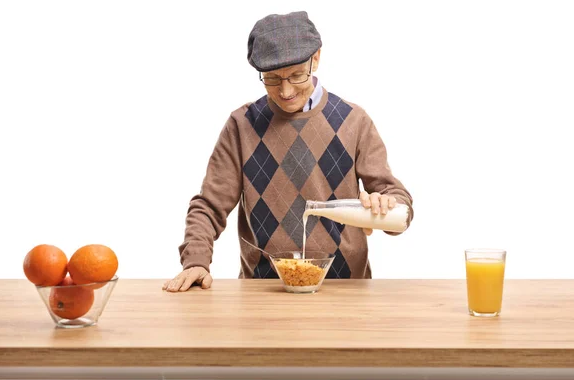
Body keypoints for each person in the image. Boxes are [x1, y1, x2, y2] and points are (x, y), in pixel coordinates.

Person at [163, 11, 413, 292]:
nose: (285, 90)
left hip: (346, 290)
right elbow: (208, 207)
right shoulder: (242, 125)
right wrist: (196, 261)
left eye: (296, 75)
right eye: (272, 78)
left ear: (316, 59)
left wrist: (386, 205)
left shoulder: (354, 121)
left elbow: (399, 204)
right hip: (263, 292)